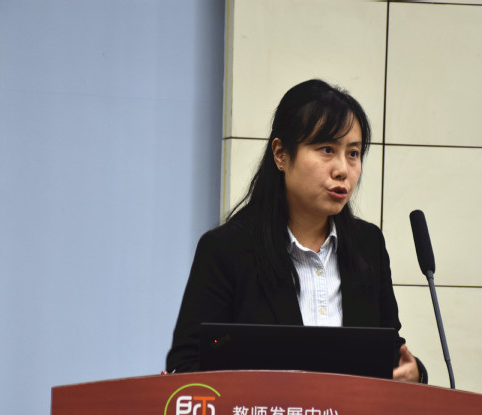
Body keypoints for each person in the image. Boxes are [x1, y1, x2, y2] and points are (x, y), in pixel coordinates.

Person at [166, 79, 427, 383]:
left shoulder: (367, 246)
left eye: (353, 153)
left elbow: (389, 351)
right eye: (327, 149)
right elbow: (187, 365)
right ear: (281, 154)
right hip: (264, 413)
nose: (343, 169)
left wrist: (414, 374)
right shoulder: (227, 250)